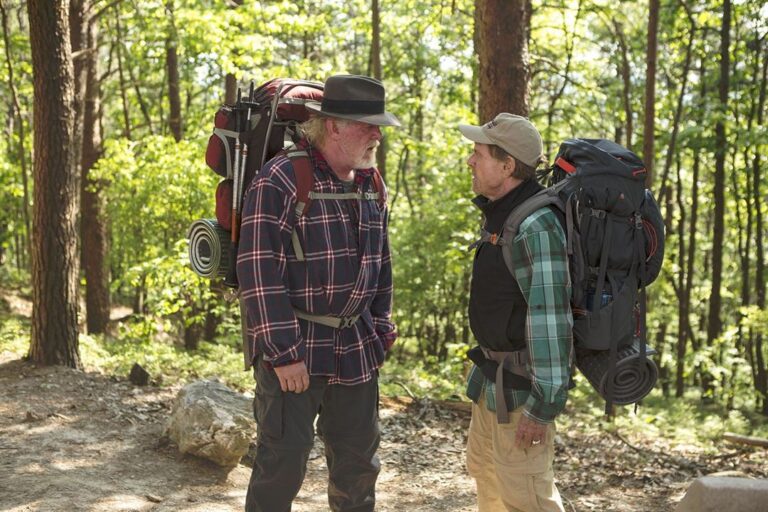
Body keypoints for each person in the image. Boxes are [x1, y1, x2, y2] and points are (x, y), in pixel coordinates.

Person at [236, 74, 400, 512]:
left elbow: (381, 264)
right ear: (333, 126)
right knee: (281, 464)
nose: (377, 134)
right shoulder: (283, 178)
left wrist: (381, 330)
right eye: (368, 125)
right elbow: (257, 268)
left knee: (359, 467)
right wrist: (284, 352)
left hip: (356, 347)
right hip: (297, 349)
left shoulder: (371, 183)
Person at [458, 113, 573, 512]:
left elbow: (551, 321)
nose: (470, 161)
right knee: (489, 483)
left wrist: (543, 408)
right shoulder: (503, 215)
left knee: (526, 499)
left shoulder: (536, 226)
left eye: (478, 154)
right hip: (492, 387)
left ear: (508, 166)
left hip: (523, 395)